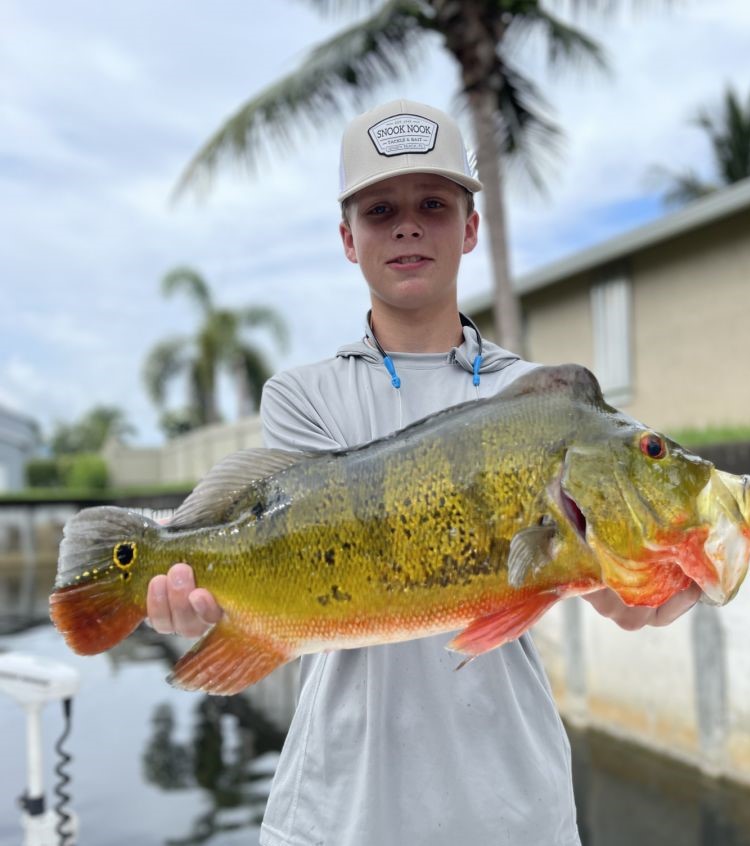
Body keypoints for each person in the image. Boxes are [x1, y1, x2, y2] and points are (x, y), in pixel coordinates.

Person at [146, 99, 701, 846]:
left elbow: (618, 598)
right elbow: (283, 558)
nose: (408, 225)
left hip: (514, 813)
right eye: (381, 209)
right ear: (348, 238)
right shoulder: (304, 395)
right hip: (340, 812)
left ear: (471, 227)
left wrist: (666, 575)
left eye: (434, 204)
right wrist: (198, 597)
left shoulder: (544, 401)